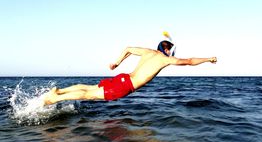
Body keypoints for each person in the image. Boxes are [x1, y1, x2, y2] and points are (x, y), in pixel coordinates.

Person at [43, 39, 217, 105]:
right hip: (126, 86)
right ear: (167, 50)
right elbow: (189, 62)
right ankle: (56, 98)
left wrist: (117, 63)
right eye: (171, 51)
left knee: (90, 87)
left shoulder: (149, 52)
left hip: (123, 77)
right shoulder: (165, 59)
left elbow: (128, 48)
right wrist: (209, 59)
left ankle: (59, 91)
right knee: (88, 95)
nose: (173, 54)